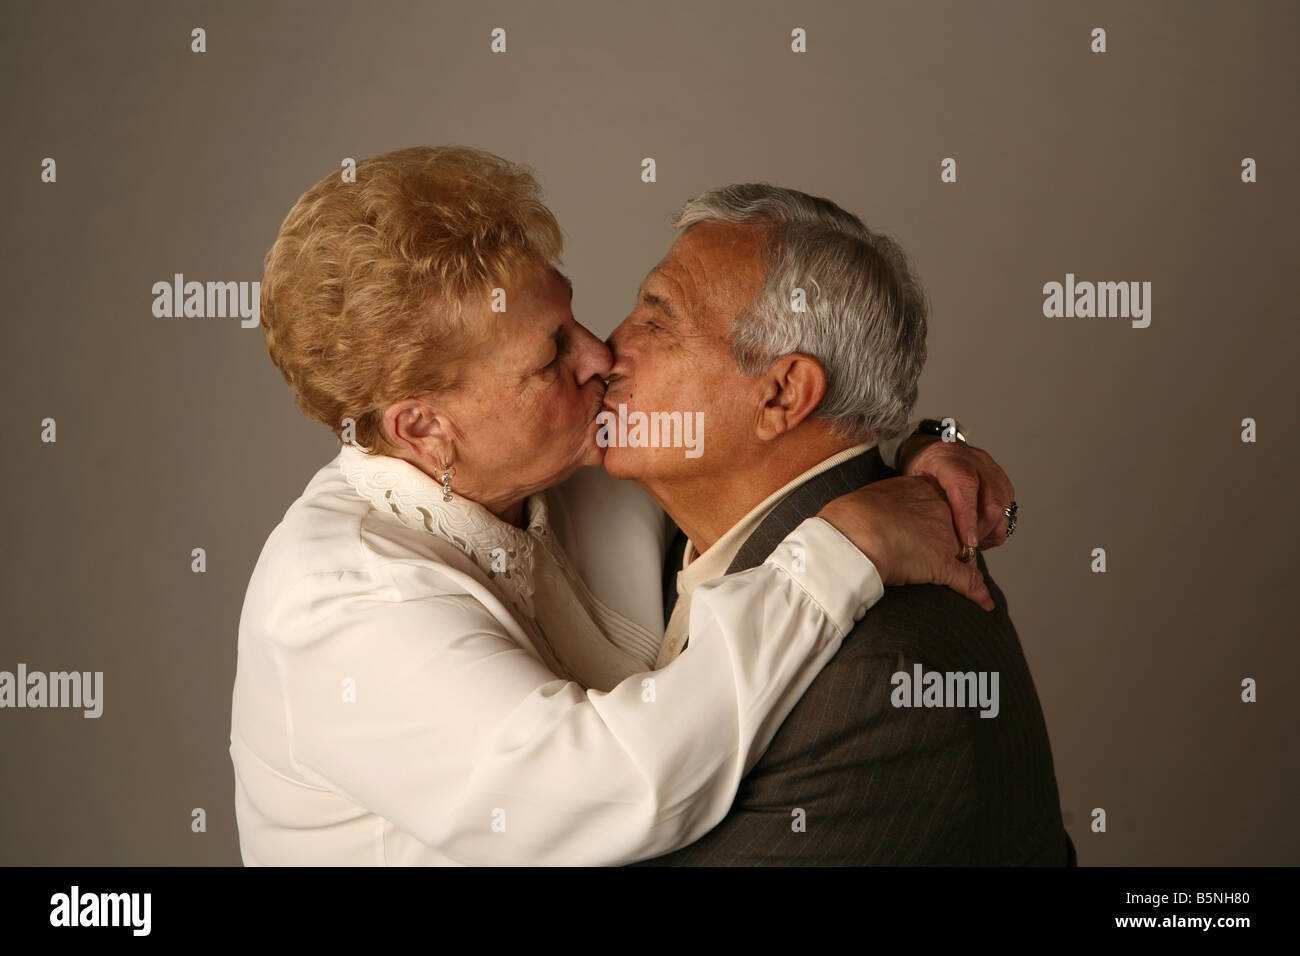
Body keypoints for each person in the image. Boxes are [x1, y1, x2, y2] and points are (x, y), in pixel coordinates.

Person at [230, 146, 1013, 866]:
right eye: (551, 356)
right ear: (425, 429)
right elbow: (612, 787)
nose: (600, 355)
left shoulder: (571, 460)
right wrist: (848, 544)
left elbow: (776, 439)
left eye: (571, 318)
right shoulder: (341, 602)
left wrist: (926, 447)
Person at [598, 184, 1071, 864]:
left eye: (657, 321)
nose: (607, 352)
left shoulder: (881, 682)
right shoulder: (678, 530)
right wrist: (926, 439)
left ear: (784, 394)